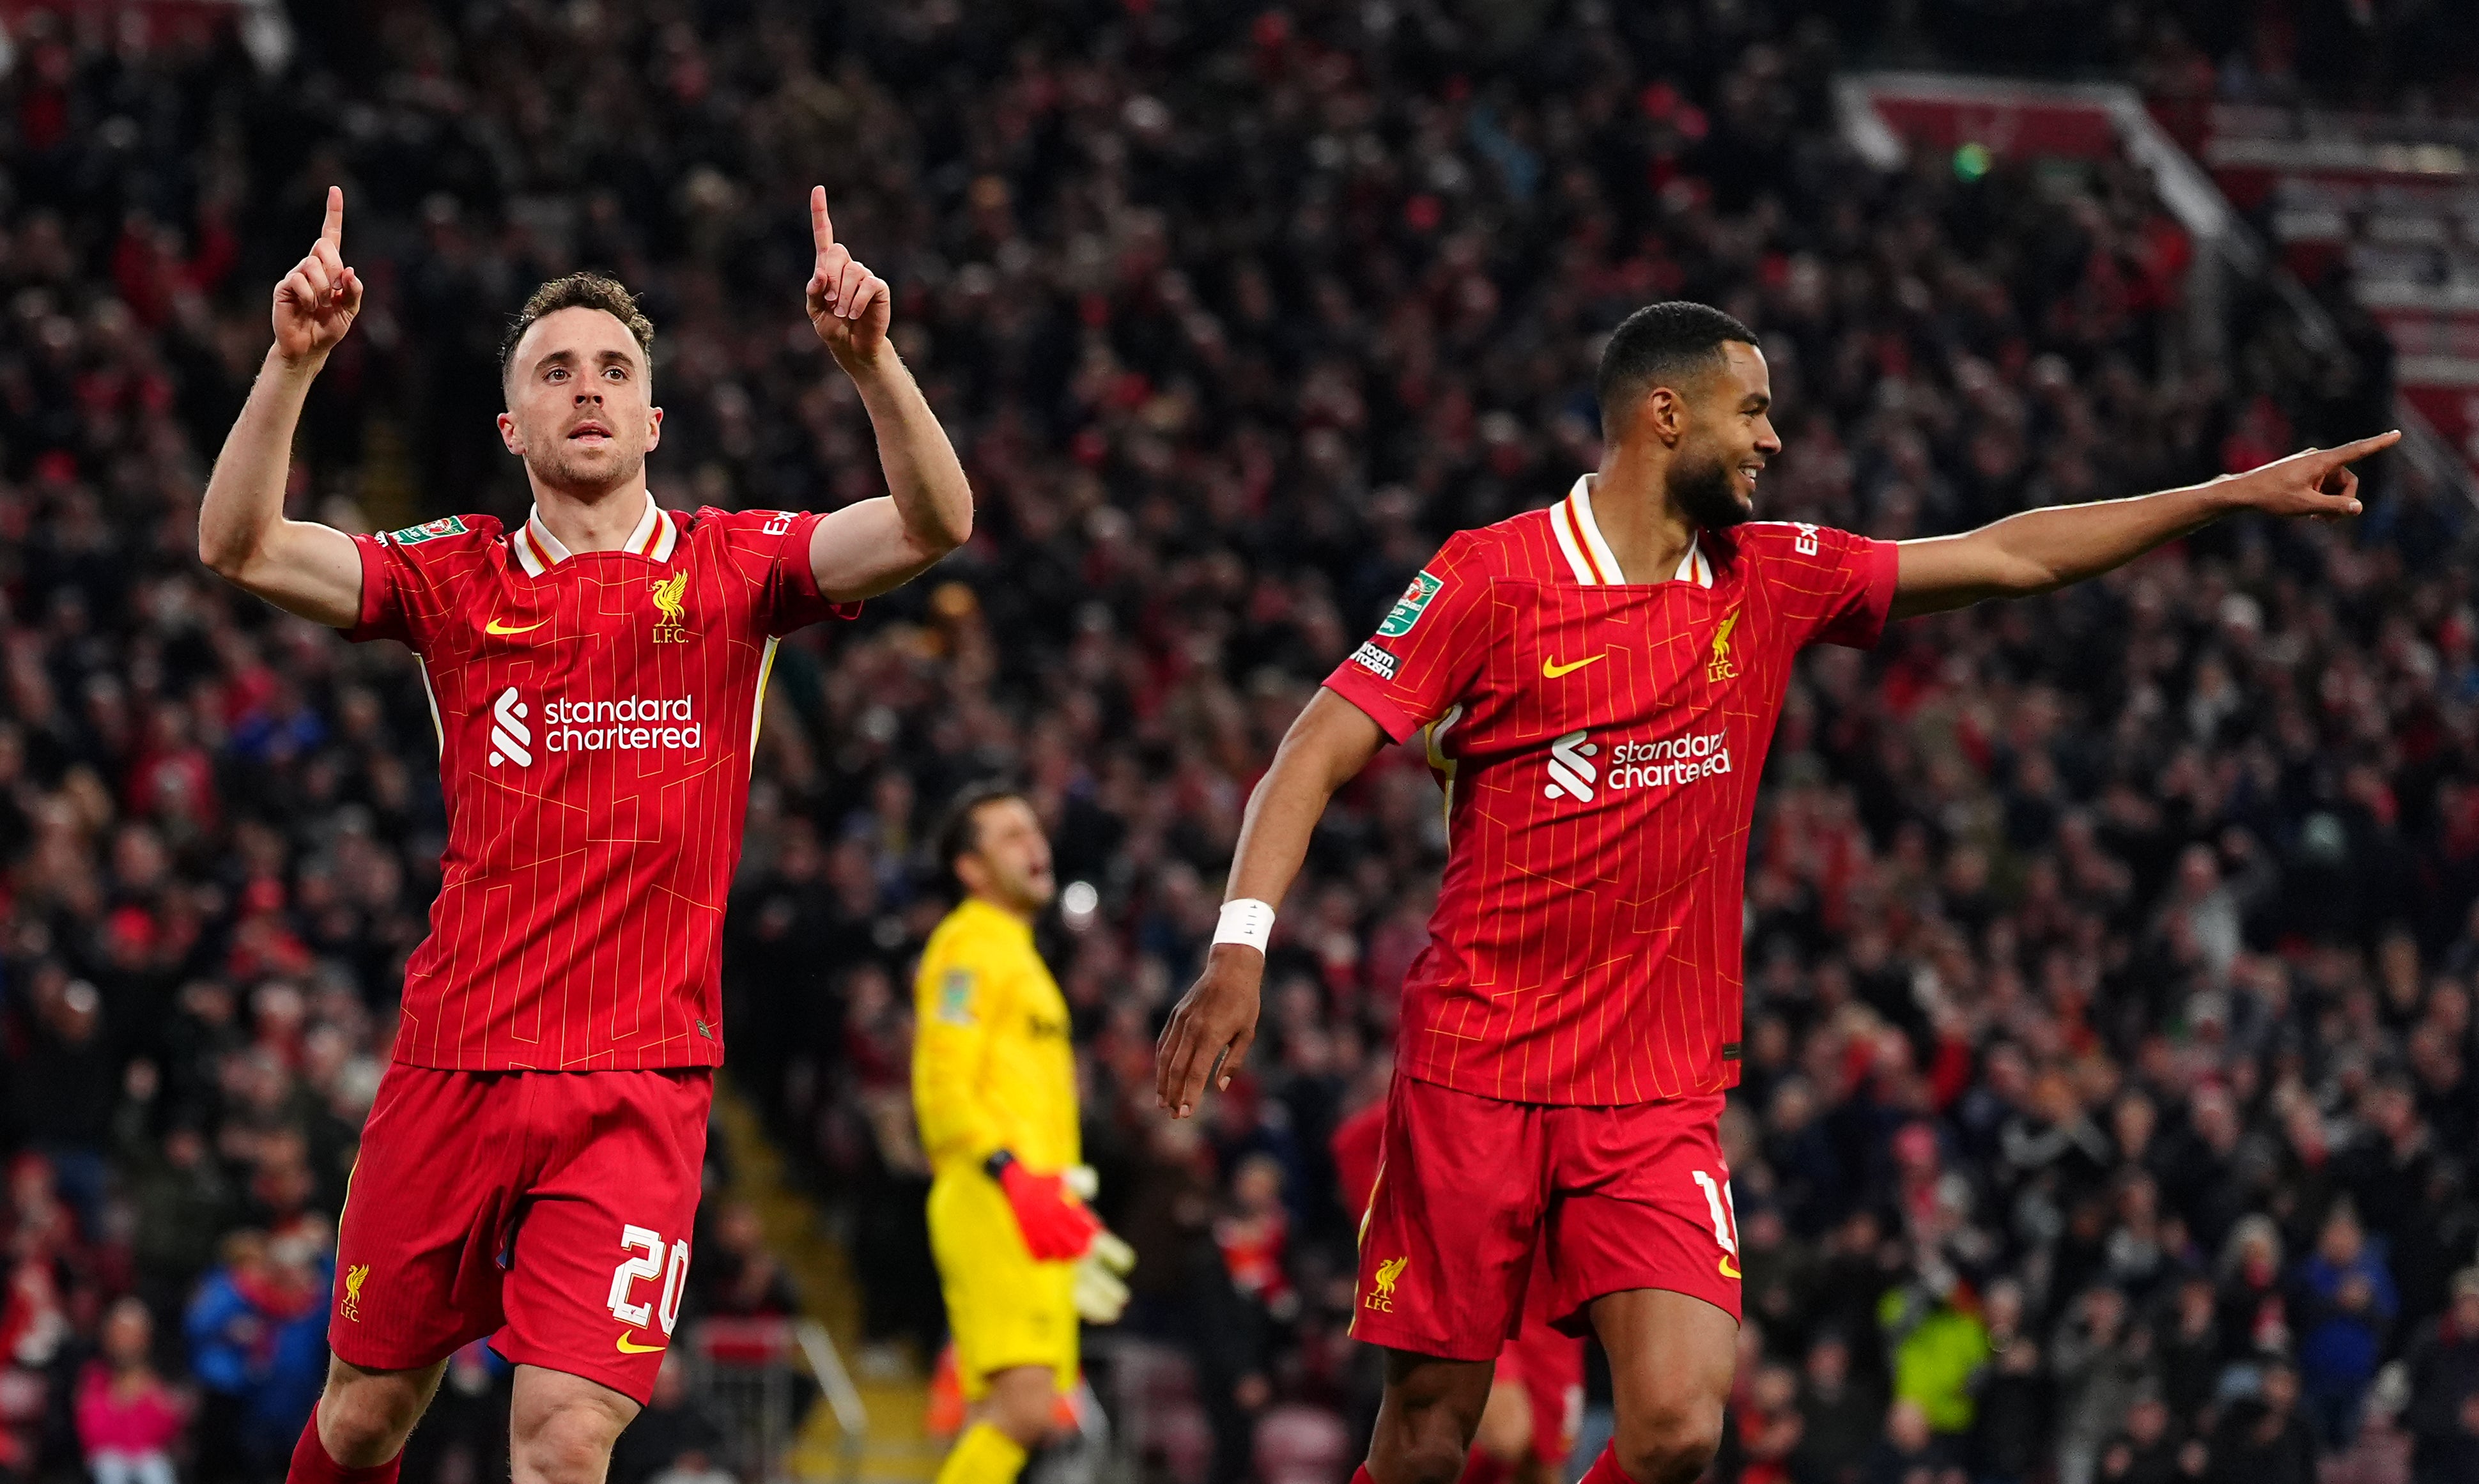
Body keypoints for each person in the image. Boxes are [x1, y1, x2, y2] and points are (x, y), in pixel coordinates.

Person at [1153, 300, 2397, 1484]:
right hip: (1477, 1066)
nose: (1772, 439)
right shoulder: (1493, 579)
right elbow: (1313, 746)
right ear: (1663, 415)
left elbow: (2008, 554)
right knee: (1427, 1440)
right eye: (1749, 411)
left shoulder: (1771, 577)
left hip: (1655, 1093)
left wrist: (2222, 496)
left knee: (1683, 1428)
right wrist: (1241, 948)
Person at [194, 185, 971, 1484]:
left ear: (655, 418)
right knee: (360, 1420)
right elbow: (240, 546)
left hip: (636, 1080)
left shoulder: (736, 570)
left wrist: (873, 363)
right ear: (511, 424)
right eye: (556, 372)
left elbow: (933, 524)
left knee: (562, 1439)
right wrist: (291, 365)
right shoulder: (456, 578)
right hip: (454, 1063)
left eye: (615, 369)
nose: (589, 390)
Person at [912, 784, 1134, 1484]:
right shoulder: (967, 948)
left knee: (1017, 1413)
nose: (1034, 845)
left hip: (1036, 1209)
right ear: (971, 870)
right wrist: (1010, 1172)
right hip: (996, 1198)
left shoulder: (1021, 957)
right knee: (1023, 1408)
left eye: (1033, 831)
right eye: (1009, 836)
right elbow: (942, 1083)